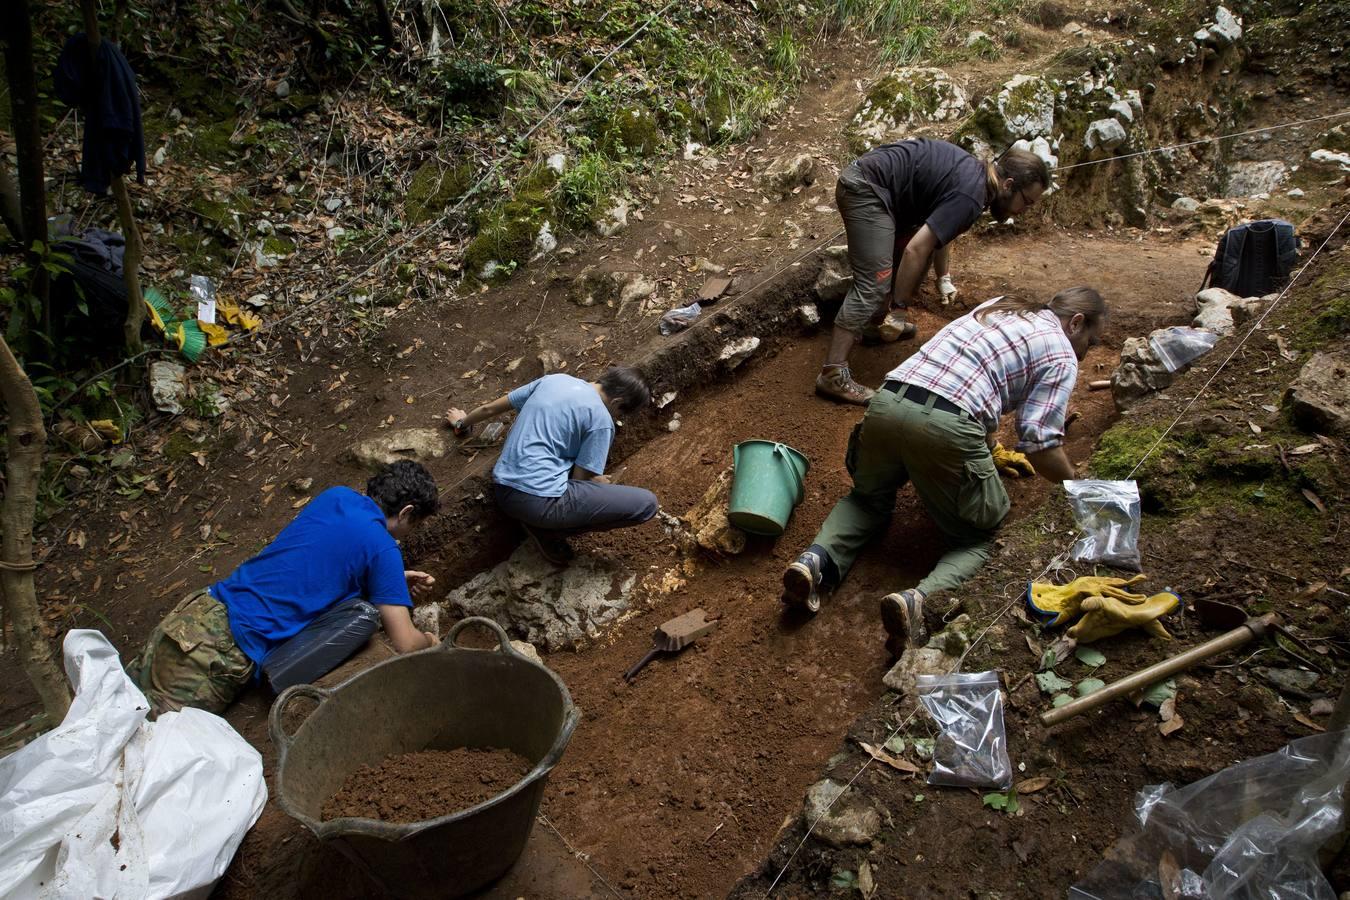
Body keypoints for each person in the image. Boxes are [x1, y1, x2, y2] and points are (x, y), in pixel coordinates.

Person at [783, 287, 1108, 653]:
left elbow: (973, 376)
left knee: (867, 500)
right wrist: (1081, 488)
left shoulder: (1002, 304)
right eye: (1090, 341)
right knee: (979, 537)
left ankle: (815, 564)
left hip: (888, 402)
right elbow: (1041, 444)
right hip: (947, 428)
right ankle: (919, 603)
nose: (1086, 351)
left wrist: (989, 449)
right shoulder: (1062, 352)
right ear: (1076, 322)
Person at [128, 460, 442, 715]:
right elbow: (404, 643)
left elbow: (315, 563)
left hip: (194, 615)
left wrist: (387, 583)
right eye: (416, 525)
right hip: (219, 652)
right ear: (407, 512)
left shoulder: (337, 497)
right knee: (148, 747)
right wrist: (430, 640)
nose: (408, 535)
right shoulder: (384, 547)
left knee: (111, 713)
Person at [817, 139, 1052, 405]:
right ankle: (832, 374)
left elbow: (942, 232)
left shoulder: (977, 182)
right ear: (1008, 185)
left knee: (906, 259)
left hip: (887, 193)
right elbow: (915, 250)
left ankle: (873, 325)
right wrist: (899, 308)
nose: (1023, 212)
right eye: (1027, 202)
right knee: (875, 281)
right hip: (866, 188)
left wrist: (944, 278)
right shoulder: (971, 196)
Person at [447, 366, 659, 564]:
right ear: (616, 402)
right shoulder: (602, 420)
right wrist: (600, 484)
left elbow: (488, 409)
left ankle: (541, 524)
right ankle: (548, 531)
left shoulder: (554, 380)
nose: (616, 417)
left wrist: (460, 423)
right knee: (647, 505)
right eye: (620, 413)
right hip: (539, 503)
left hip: (503, 489)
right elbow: (580, 482)